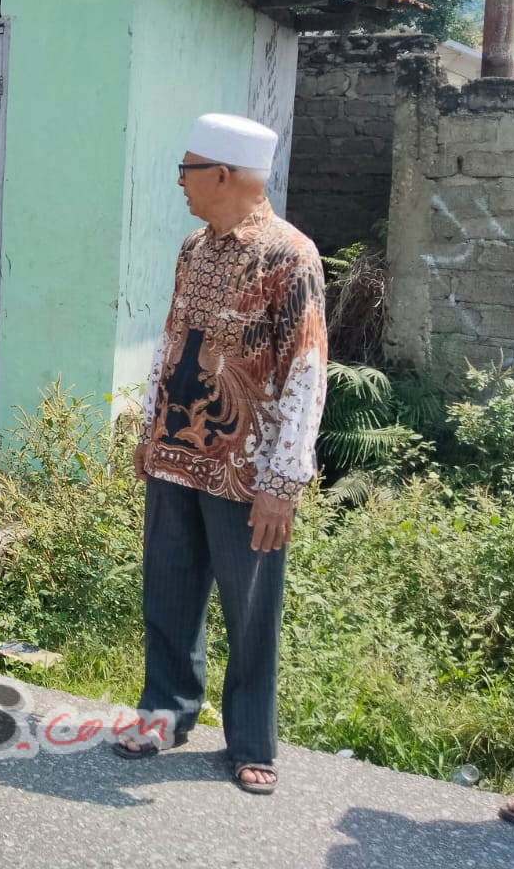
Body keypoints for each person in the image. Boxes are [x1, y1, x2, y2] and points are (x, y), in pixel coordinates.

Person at [113, 113, 327, 797]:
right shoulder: (193, 249)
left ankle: (250, 741)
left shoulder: (291, 257)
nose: (179, 183)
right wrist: (149, 428)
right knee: (168, 591)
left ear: (223, 176)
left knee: (250, 609)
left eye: (186, 170)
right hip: (178, 452)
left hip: (249, 469)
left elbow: (306, 368)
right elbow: (174, 337)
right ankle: (165, 712)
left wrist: (284, 481)